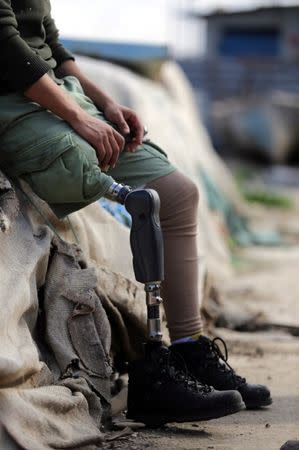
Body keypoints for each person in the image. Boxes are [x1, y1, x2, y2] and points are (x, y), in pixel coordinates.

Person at [0, 0, 271, 425]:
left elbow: (47, 36)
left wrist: (103, 103)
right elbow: (4, 42)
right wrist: (77, 118)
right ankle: (153, 369)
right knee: (117, 189)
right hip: (9, 100)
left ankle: (188, 348)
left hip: (52, 91)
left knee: (178, 193)